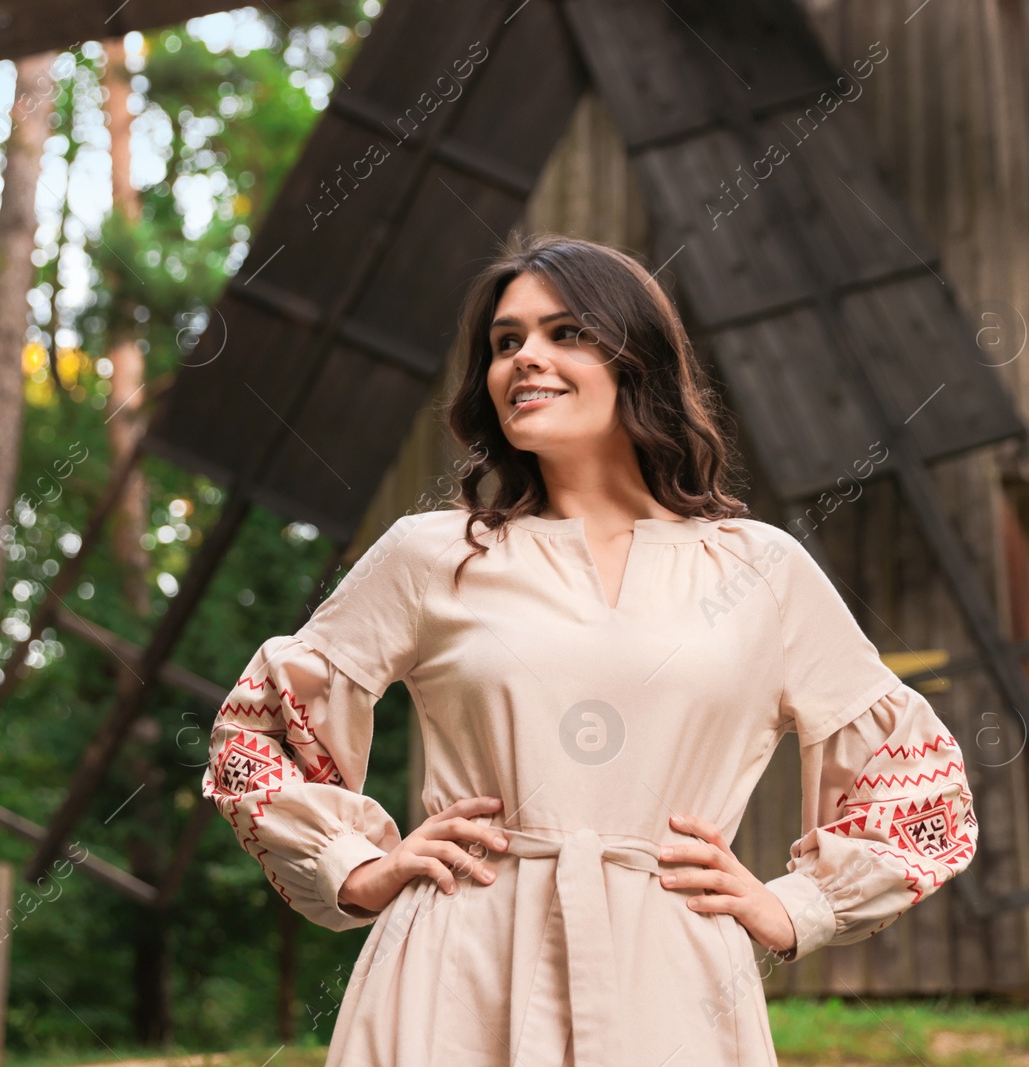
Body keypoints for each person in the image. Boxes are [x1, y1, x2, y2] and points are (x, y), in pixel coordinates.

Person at [201, 231, 978, 1066]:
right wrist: (356, 862)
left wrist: (796, 906)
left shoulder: (762, 570)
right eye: (506, 342)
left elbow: (915, 777)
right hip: (454, 973)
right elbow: (256, 732)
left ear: (636, 359)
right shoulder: (433, 555)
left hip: (677, 981)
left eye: (564, 332)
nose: (524, 358)